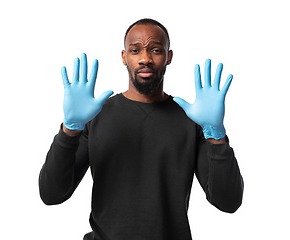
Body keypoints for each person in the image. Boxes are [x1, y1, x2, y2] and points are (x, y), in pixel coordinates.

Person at [39, 18, 244, 240]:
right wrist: (70, 130)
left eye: (155, 50)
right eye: (135, 50)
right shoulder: (93, 117)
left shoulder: (192, 120)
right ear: (124, 57)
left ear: (169, 57)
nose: (145, 58)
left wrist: (215, 134)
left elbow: (228, 202)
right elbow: (52, 194)